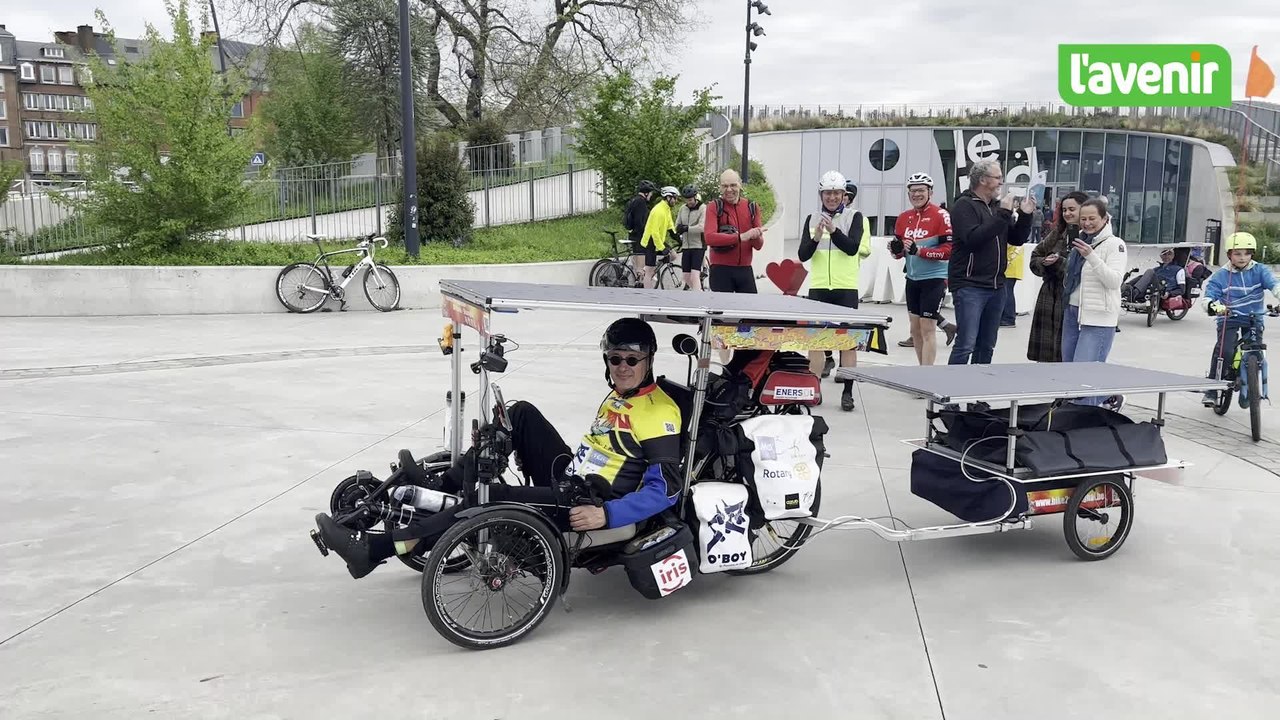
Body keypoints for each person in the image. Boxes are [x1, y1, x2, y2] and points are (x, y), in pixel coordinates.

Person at [313, 318, 684, 579]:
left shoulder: (660, 412)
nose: (622, 367)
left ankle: (374, 552)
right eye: (615, 359)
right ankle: (442, 488)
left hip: (591, 502)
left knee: (489, 496)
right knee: (519, 414)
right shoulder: (620, 395)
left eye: (632, 360)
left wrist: (607, 515)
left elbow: (666, 488)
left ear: (649, 360)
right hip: (573, 478)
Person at [947, 158, 1036, 365]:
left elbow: (1016, 239)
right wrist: (1004, 214)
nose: (1001, 183)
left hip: (996, 285)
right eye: (998, 178)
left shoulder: (996, 207)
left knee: (987, 344)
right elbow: (973, 239)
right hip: (970, 285)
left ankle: (977, 393)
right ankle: (953, 391)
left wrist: (1025, 215)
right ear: (983, 180)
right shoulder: (964, 205)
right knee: (966, 344)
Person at [798, 170, 870, 411]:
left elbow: (851, 249)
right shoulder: (811, 218)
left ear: (843, 194)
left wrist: (834, 231)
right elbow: (802, 255)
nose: (832, 197)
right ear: (821, 194)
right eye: (827, 193)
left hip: (846, 288)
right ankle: (813, 388)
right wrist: (817, 236)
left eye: (836, 193)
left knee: (847, 343)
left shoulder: (855, 216)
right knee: (816, 343)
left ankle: (848, 392)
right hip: (819, 288)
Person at [1060, 198, 1127, 407]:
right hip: (1073, 312)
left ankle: (1087, 421)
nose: (1087, 223)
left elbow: (1114, 281)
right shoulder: (1080, 242)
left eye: (1092, 219)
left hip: (1098, 316)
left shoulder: (1115, 244)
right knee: (1069, 374)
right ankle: (1104, 400)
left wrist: (1092, 257)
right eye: (1083, 219)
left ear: (1105, 219)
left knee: (1085, 377)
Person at [1202, 232, 1280, 406]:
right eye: (1237, 253)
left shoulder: (1260, 270)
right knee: (1225, 351)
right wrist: (1214, 306)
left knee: (1255, 352)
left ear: (1252, 254)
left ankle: (1250, 387)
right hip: (1229, 317)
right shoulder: (1221, 275)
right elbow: (1209, 297)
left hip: (1254, 317)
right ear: (1229, 254)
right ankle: (1212, 390)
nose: (1243, 257)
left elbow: (1275, 285)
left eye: (1247, 253)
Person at [890, 172, 953, 366]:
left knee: (928, 328)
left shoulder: (941, 215)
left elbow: (948, 251)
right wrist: (896, 252)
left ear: (930, 192)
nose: (917, 194)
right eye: (913, 191)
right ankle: (921, 372)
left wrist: (921, 252)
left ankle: (927, 375)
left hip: (934, 278)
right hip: (913, 279)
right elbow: (900, 252)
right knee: (915, 329)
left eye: (921, 190)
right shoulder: (903, 218)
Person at [1027, 191, 1088, 363]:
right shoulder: (1058, 233)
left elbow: (1085, 269)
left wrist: (1060, 263)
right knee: (1046, 353)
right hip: (1049, 295)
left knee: (1068, 349)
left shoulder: (1091, 237)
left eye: (1072, 209)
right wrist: (1044, 263)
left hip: (1074, 297)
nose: (1067, 213)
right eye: (1064, 210)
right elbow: (1035, 257)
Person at [704, 169, 763, 294]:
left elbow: (758, 246)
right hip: (720, 270)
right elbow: (709, 238)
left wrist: (756, 236)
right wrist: (740, 237)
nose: (729, 190)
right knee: (722, 312)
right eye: (725, 186)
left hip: (745, 269)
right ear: (720, 187)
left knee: (750, 311)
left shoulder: (752, 207)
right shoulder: (714, 206)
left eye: (733, 185)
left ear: (740, 185)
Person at [639, 186, 680, 288]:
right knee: (649, 272)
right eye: (675, 198)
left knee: (673, 255)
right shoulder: (658, 210)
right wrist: (662, 248)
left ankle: (655, 265)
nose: (676, 200)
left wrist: (678, 238)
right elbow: (654, 232)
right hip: (651, 241)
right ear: (668, 197)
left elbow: (670, 227)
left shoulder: (666, 209)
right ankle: (648, 295)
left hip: (658, 241)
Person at [623, 181, 657, 286]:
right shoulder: (641, 203)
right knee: (640, 267)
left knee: (637, 262)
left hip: (634, 235)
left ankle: (631, 277)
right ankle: (640, 284)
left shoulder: (634, 200)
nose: (651, 196)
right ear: (646, 193)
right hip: (639, 237)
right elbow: (640, 222)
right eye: (651, 193)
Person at [675, 185, 706, 291]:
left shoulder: (703, 208)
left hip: (698, 245)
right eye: (687, 200)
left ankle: (697, 299)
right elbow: (677, 224)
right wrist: (678, 229)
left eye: (691, 199)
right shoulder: (682, 209)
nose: (689, 202)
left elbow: (702, 227)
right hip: (686, 246)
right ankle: (699, 293)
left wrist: (687, 228)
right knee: (686, 277)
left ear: (695, 197)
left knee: (694, 275)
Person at [1001, 243, 1025, 327]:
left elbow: (1007, 244)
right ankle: (1007, 317)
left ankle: (1008, 318)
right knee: (1007, 291)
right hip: (1012, 262)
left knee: (1007, 292)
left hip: (1010, 263)